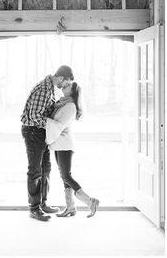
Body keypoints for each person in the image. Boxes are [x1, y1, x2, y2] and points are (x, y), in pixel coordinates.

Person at [21, 65, 74, 221]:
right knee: (35, 171)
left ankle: (43, 204)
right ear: (61, 77)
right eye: (65, 82)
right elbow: (34, 116)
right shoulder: (44, 90)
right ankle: (34, 208)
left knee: (46, 169)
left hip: (40, 132)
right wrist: (54, 125)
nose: (64, 86)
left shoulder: (50, 88)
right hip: (33, 132)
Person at [46, 81, 99, 218]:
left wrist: (45, 120)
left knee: (66, 176)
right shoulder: (63, 102)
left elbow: (59, 124)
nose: (64, 86)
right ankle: (70, 207)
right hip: (60, 144)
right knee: (64, 176)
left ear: (73, 90)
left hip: (65, 145)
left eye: (67, 85)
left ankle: (90, 201)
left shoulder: (70, 105)